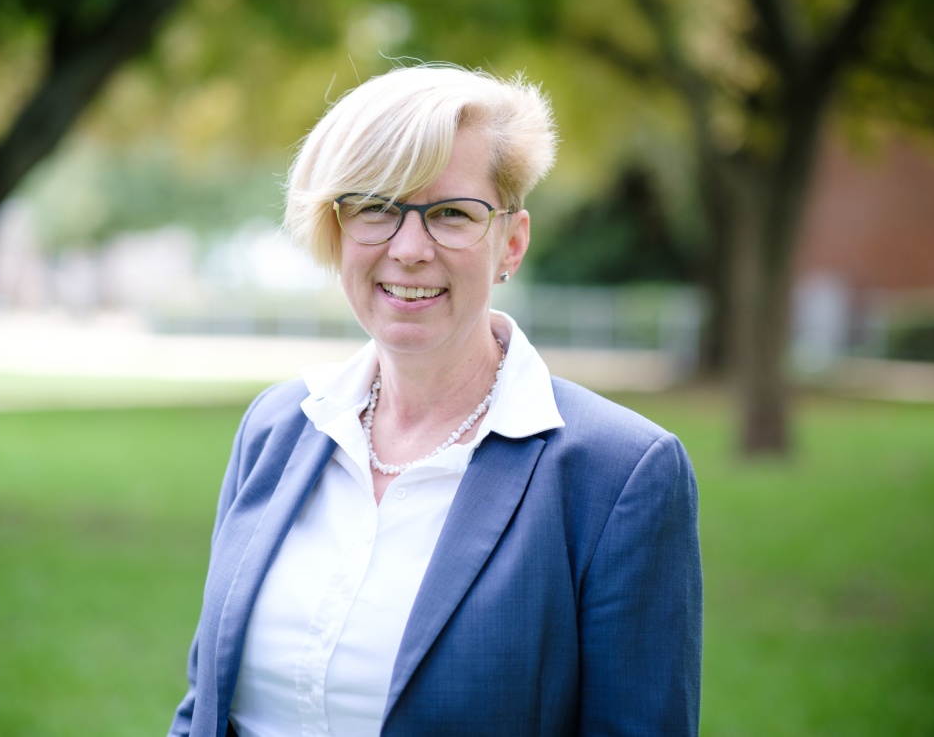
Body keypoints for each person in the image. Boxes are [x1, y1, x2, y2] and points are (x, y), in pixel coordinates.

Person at [168, 64, 702, 737]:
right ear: (336, 228)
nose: (409, 249)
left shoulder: (620, 474)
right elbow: (205, 706)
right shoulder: (276, 428)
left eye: (451, 213)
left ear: (511, 241)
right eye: (376, 207)